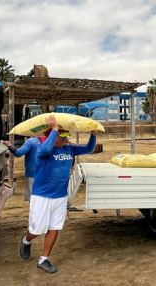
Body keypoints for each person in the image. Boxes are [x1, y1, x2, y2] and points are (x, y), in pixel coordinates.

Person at [19, 115, 97, 274]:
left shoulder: (69, 149)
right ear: (52, 137)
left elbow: (89, 149)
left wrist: (93, 135)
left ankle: (43, 259)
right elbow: (47, 148)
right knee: (37, 229)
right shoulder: (43, 150)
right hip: (42, 196)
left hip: (60, 196)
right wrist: (54, 129)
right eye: (63, 137)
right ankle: (26, 240)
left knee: (55, 227)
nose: (66, 140)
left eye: (67, 137)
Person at [2, 136, 46, 202]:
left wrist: (9, 145)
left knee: (33, 199)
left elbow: (19, 153)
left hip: (32, 173)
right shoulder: (50, 141)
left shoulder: (31, 142)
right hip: (46, 173)